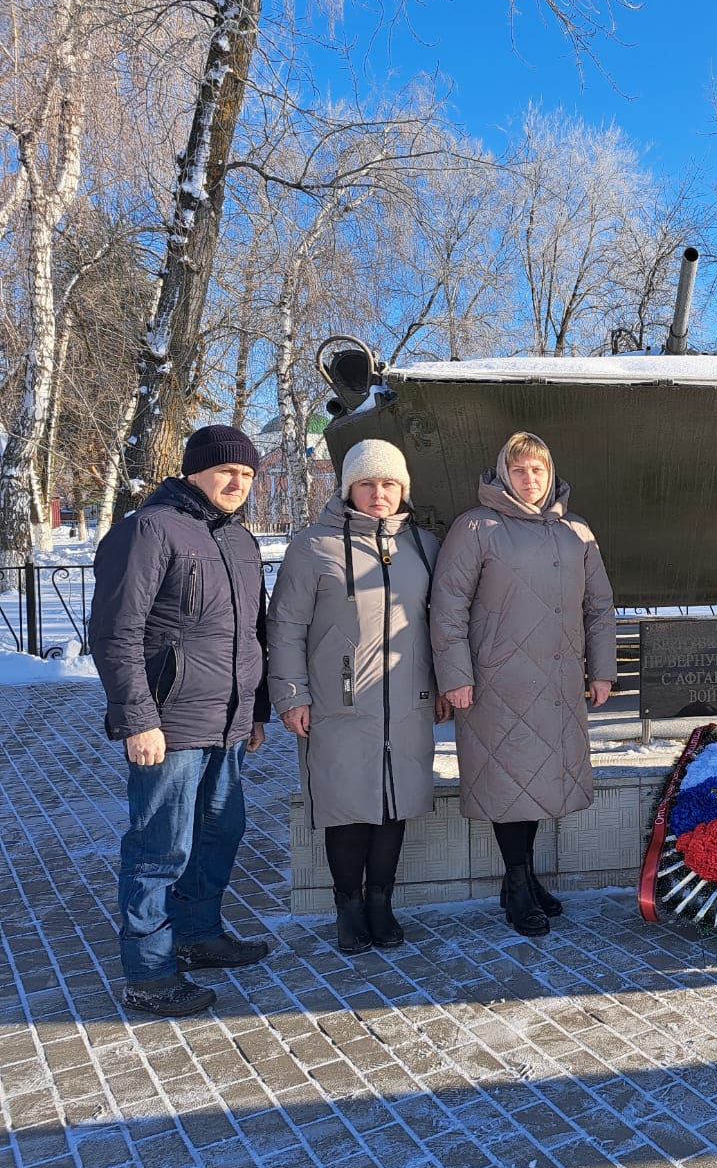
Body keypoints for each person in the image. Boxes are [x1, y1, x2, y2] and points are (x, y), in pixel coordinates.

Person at [88, 424, 272, 1017]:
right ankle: (149, 970)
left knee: (221, 833)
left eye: (246, 474)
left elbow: (254, 636)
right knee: (159, 847)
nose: (237, 482)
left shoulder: (240, 541)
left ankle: (197, 934)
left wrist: (256, 712)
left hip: (229, 723)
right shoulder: (148, 529)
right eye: (227, 471)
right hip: (168, 723)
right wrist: (137, 718)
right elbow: (117, 633)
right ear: (194, 470)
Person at [430, 432, 616, 939]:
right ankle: (515, 885)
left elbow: (599, 607)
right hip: (497, 683)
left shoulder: (576, 531)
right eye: (519, 471)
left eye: (537, 470)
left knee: (537, 783)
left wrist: (601, 670)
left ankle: (526, 876)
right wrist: (456, 677)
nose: (529, 480)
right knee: (507, 783)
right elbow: (448, 607)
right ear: (502, 475)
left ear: (550, 473)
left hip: (556, 682)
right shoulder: (477, 527)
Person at [267, 440, 449, 955]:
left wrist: (437, 685)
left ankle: (380, 904)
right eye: (368, 483)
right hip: (337, 702)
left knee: (395, 803)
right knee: (345, 806)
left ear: (404, 489)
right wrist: (291, 695)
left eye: (390, 483)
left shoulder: (423, 546)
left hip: (406, 701)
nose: (379, 493)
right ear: (348, 488)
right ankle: (348, 907)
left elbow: (439, 623)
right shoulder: (313, 546)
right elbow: (285, 627)